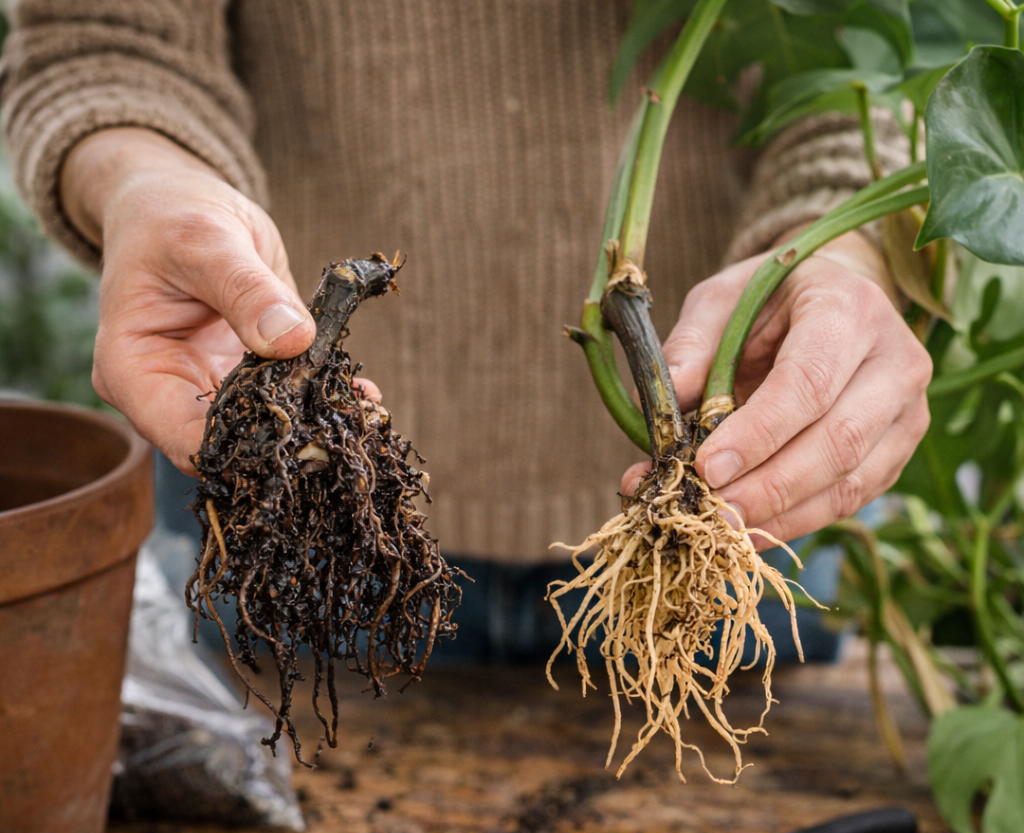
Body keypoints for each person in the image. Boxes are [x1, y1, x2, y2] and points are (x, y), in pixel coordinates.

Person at [0, 2, 930, 658]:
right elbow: (107, 42)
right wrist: (144, 181)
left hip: (757, 518)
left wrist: (841, 247)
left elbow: (879, 61)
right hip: (304, 515)